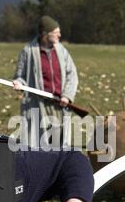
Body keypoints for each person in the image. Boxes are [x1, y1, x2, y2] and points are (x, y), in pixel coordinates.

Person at [12, 15, 78, 148]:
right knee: (37, 144)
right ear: (45, 34)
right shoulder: (28, 51)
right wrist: (19, 84)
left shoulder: (62, 50)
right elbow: (20, 76)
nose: (59, 35)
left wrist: (67, 95)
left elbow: (72, 74)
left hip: (59, 104)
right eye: (56, 32)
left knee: (60, 145)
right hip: (37, 105)